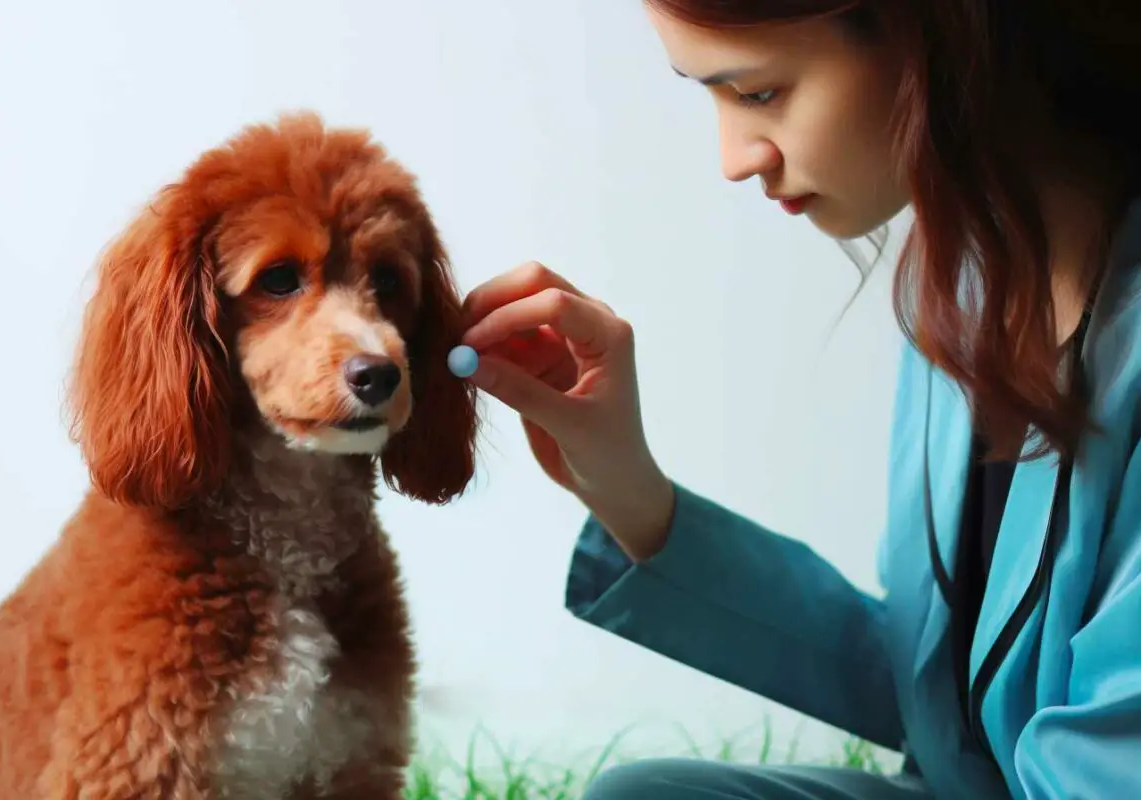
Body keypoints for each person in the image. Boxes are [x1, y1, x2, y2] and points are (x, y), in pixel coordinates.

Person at [457, 1, 1141, 799]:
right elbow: (935, 697)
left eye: (757, 94)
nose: (733, 158)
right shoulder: (957, 282)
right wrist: (626, 487)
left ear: (934, 37)